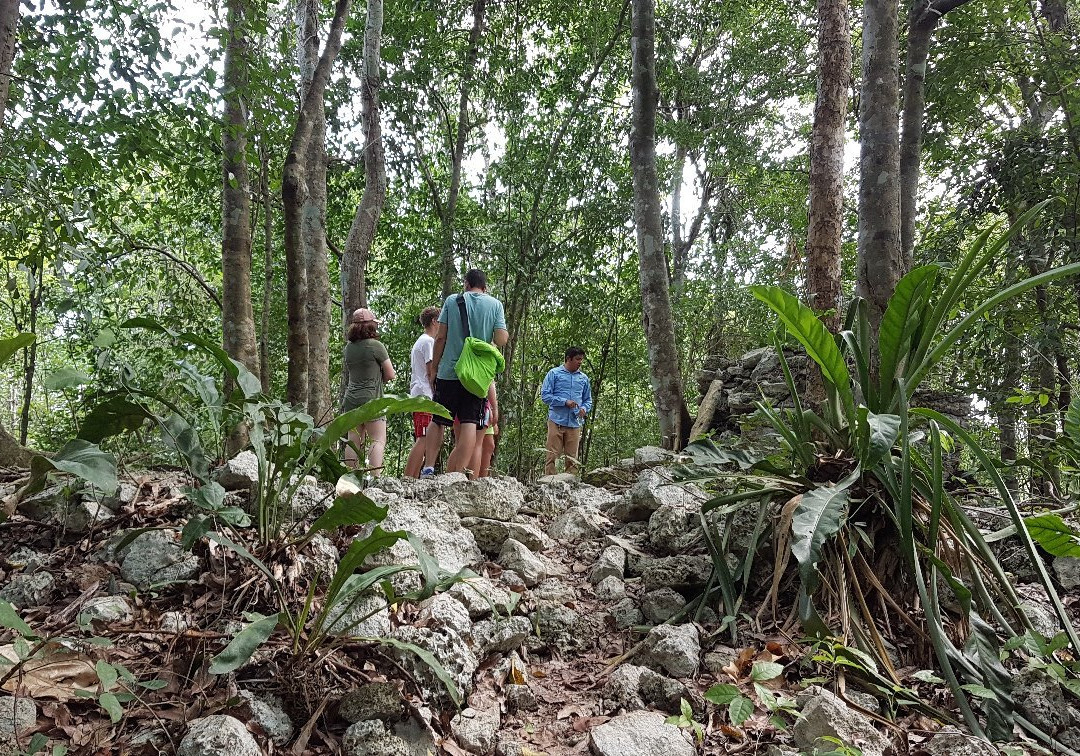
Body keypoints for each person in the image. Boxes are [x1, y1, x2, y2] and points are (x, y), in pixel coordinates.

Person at [428, 269, 508, 474]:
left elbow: (440, 337)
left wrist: (434, 368)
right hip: (477, 377)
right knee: (470, 422)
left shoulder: (452, 301)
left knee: (438, 420)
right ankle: (459, 474)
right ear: (485, 287)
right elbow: (501, 339)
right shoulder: (495, 305)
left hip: (450, 371)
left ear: (466, 283)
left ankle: (428, 467)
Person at [341, 308, 395, 476]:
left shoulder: (348, 348)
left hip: (351, 399)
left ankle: (350, 478)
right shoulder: (376, 346)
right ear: (370, 326)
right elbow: (390, 374)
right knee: (377, 440)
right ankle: (374, 479)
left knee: (353, 440)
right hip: (372, 399)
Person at [541, 346, 591, 476]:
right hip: (556, 421)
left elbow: (588, 400)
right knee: (552, 456)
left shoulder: (584, 379)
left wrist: (584, 409)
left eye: (581, 359)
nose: (580, 362)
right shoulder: (554, 374)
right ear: (568, 359)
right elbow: (545, 396)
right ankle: (549, 484)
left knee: (572, 459)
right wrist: (564, 401)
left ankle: (571, 486)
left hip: (574, 423)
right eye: (577, 359)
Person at [404, 306, 442, 478]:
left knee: (423, 436)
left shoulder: (423, 341)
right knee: (424, 437)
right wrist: (436, 393)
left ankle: (412, 476)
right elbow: (430, 370)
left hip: (420, 393)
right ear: (434, 321)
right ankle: (409, 476)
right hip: (425, 395)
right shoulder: (428, 342)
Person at [469, 382, 498, 479]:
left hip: (486, 405)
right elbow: (490, 382)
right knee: (474, 444)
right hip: (477, 403)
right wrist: (494, 409)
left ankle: (482, 480)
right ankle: (473, 480)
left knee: (489, 445)